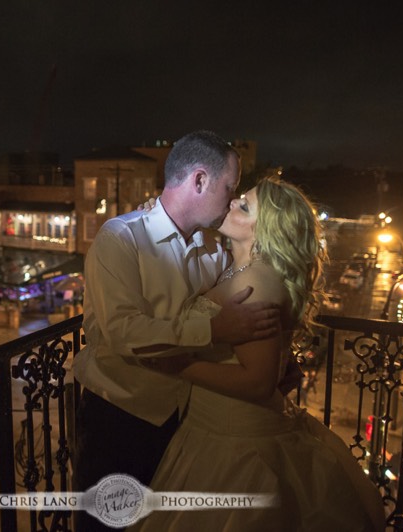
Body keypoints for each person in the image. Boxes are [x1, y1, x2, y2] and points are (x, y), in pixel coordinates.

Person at [129, 176, 385, 531]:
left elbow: (258, 382)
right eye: (239, 198)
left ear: (266, 232)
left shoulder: (257, 282)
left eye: (245, 206)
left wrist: (180, 365)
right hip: (214, 427)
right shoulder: (237, 268)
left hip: (236, 447)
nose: (232, 202)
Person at [72, 130, 282, 531]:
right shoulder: (121, 239)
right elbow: (122, 331)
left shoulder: (215, 248)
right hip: (120, 420)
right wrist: (213, 330)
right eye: (229, 187)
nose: (232, 198)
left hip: (187, 424)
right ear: (200, 180)